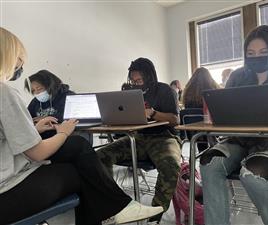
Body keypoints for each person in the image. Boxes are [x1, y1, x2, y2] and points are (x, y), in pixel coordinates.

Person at [0, 27, 163, 225]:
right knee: (84, 174)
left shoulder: (63, 96)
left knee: (76, 145)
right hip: (6, 193)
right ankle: (116, 209)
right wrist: (62, 132)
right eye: (19, 58)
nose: (20, 65)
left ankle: (120, 208)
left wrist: (33, 130)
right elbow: (36, 153)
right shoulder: (4, 93)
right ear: (8, 55)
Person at [199, 25, 268, 225]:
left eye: (264, 52)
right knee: (208, 162)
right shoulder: (237, 76)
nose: (257, 57)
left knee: (254, 174)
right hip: (241, 139)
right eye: (251, 53)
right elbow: (226, 109)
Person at [97, 57, 182, 224]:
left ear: (150, 76)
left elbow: (174, 120)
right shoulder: (130, 93)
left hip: (164, 137)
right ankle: (114, 207)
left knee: (171, 165)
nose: (137, 83)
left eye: (140, 80)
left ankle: (153, 216)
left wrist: (152, 113)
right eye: (134, 80)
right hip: (138, 137)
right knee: (100, 156)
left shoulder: (164, 90)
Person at [24, 70, 75, 139]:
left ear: (51, 85)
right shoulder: (35, 101)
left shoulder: (69, 97)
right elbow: (26, 118)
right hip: (41, 139)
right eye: (33, 91)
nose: (37, 93)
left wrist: (44, 119)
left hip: (65, 136)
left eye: (39, 89)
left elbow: (71, 117)